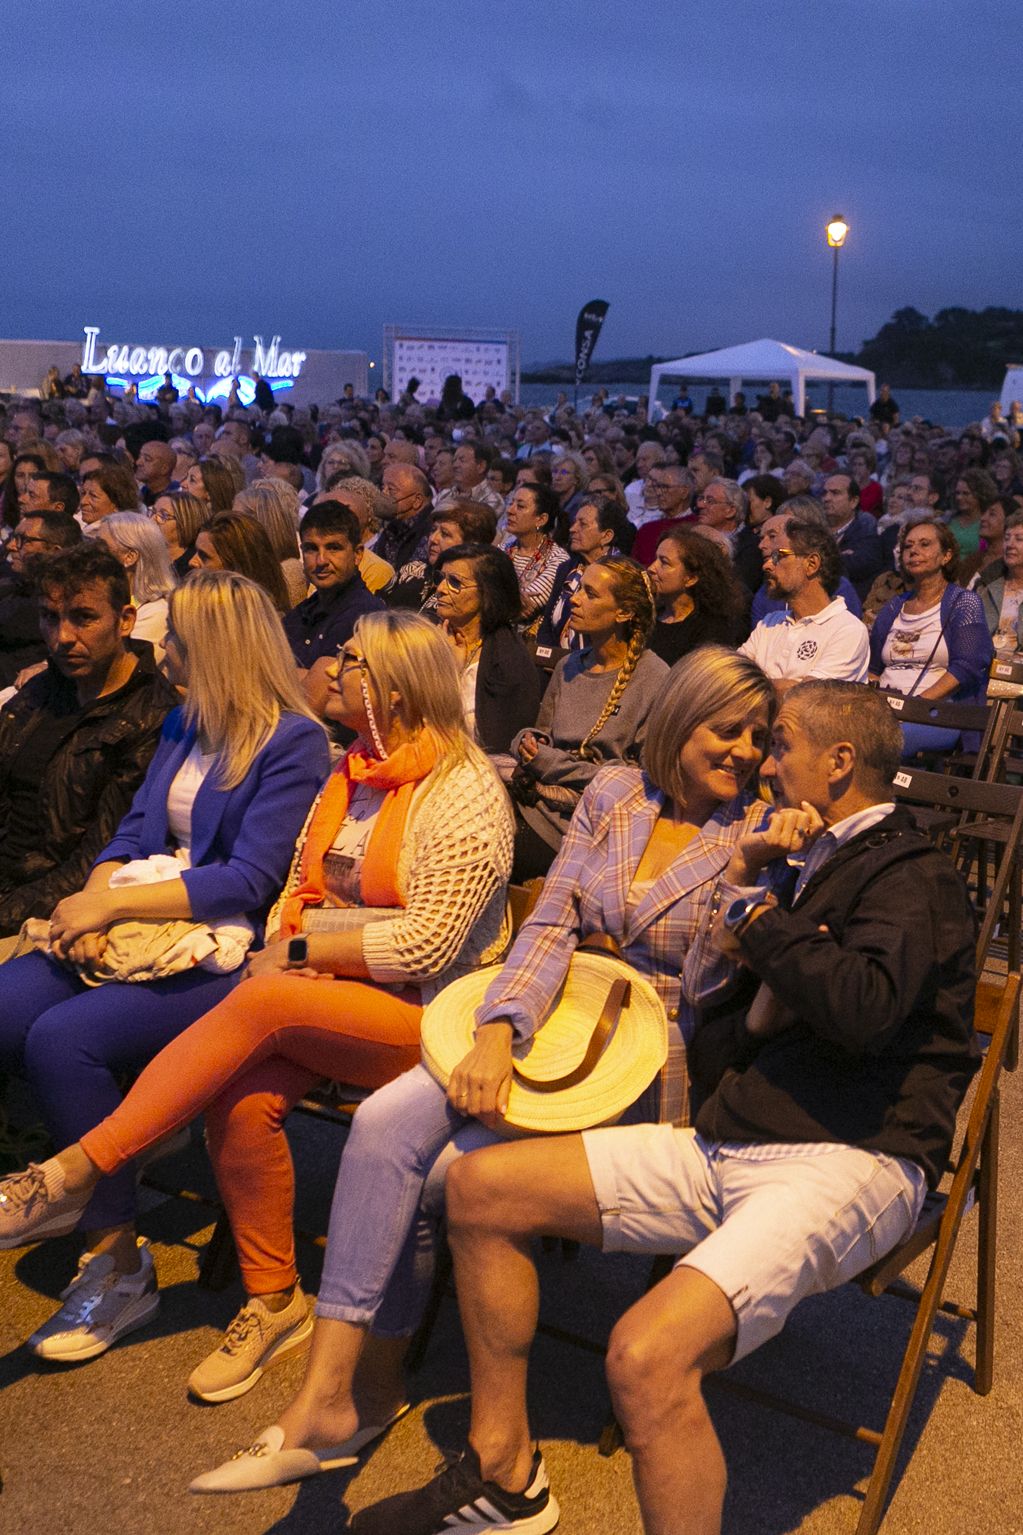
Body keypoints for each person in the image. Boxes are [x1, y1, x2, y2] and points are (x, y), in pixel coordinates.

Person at [355, 680, 978, 1535]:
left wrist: (758, 911)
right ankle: (503, 1472)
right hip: (739, 1133)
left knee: (644, 1356)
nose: (763, 758)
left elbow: (862, 1007)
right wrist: (749, 880)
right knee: (479, 1189)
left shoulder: (915, 872)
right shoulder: (802, 863)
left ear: (838, 762)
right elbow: (736, 1019)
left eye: (781, 740)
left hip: (851, 1155)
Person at [180, 645, 778, 1495]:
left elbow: (714, 993)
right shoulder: (614, 794)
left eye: (758, 736)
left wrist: (754, 874)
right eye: (727, 728)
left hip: (642, 1059)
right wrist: (498, 1030)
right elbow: (550, 928)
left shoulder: (751, 835)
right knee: (389, 1122)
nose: (745, 750)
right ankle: (329, 1392)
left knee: (448, 1175)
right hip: (543, 1014)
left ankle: (376, 1394)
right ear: (681, 718)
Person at [0, 612, 511, 1402]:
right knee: (239, 1103)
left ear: (396, 688)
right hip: (323, 995)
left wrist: (309, 952)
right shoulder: (354, 768)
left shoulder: (465, 790)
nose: (332, 667)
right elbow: (289, 899)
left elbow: (425, 945)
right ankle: (275, 1301)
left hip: (424, 1012)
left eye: (352, 659)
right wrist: (302, 946)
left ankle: (76, 1168)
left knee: (257, 997)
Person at [0, 570, 328, 1359]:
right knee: (8, 1003)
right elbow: (135, 828)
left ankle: (116, 1259)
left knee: (62, 1039)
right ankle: (120, 1140)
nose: (162, 645)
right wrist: (95, 895)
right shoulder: (187, 720)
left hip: (219, 945)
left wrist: (113, 907)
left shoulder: (292, 740)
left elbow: (248, 879)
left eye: (175, 634)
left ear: (216, 646)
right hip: (140, 914)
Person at [0, 543, 176, 941]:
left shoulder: (154, 715)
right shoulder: (46, 687)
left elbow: (97, 858)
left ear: (126, 619)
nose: (62, 637)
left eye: (83, 619)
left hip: (52, 907)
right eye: (49, 617)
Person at [508, 557, 667, 879]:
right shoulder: (570, 665)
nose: (575, 599)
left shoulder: (655, 678)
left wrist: (552, 764)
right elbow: (544, 735)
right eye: (579, 589)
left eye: (591, 594)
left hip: (583, 823)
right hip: (536, 798)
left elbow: (640, 781)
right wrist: (528, 742)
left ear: (623, 613)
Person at [870, 517, 992, 757]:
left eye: (925, 544)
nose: (914, 550)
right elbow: (873, 667)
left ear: (946, 556)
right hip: (882, 710)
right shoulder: (895, 606)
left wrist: (914, 705)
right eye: (908, 546)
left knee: (877, 743)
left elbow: (968, 667)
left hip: (936, 714)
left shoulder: (963, 603)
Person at [740, 517, 870, 692]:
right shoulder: (769, 623)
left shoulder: (848, 630)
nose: (767, 566)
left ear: (811, 564)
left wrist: (752, 685)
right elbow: (732, 677)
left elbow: (808, 697)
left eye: (779, 556)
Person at [433, 542, 541, 752]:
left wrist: (451, 673)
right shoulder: (432, 637)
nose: (440, 589)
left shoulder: (509, 660)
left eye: (455, 582)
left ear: (487, 592)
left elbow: (495, 742)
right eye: (440, 578)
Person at [283, 500, 385, 717]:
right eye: (311, 549)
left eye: (333, 548)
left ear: (358, 554)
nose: (321, 560)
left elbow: (309, 708)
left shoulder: (367, 618)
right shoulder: (299, 614)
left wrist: (281, 676)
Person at [536, 493, 634, 652]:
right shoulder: (566, 569)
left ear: (606, 536)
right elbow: (547, 624)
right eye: (575, 522)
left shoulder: (623, 574)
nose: (572, 529)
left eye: (582, 524)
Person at [0, 511, 83, 688]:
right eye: (15, 537)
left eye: (24, 540)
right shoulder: (18, 582)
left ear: (55, 551)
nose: (12, 546)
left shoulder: (59, 599)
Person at [647, 526, 746, 665]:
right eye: (655, 559)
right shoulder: (647, 616)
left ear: (691, 578)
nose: (651, 568)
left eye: (664, 562)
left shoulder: (713, 628)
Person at [93, 512, 177, 666]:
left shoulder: (156, 613)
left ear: (129, 557)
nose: (91, 552)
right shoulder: (106, 596)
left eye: (101, 546)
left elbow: (123, 666)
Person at [189, 511, 291, 615]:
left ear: (237, 565)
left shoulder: (262, 625)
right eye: (195, 552)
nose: (191, 562)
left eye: (204, 556)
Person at [502, 481, 570, 636]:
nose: (510, 511)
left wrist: (496, 595)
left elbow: (525, 607)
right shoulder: (502, 550)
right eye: (511, 503)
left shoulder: (557, 559)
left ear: (541, 519)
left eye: (520, 506)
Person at [233, 478, 306, 607]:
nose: (231, 526)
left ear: (259, 522)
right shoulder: (246, 561)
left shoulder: (289, 571)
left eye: (236, 519)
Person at [820, 473, 887, 598]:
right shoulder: (814, 531)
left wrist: (823, 560)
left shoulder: (866, 532)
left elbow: (860, 566)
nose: (826, 498)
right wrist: (840, 557)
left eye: (835, 493)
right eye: (824, 493)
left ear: (853, 501)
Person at [973, 511, 1023, 651]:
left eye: (1019, 539)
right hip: (983, 664)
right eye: (1007, 538)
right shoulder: (985, 585)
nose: (1010, 544)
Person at [631, 465, 697, 565]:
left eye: (665, 487)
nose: (658, 493)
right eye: (658, 487)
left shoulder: (697, 529)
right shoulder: (646, 530)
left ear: (684, 492)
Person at [151, 490, 209, 580]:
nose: (152, 519)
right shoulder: (147, 554)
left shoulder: (193, 568)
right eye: (153, 512)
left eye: (163, 515)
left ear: (185, 523)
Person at [134, 440, 179, 507]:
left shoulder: (175, 501)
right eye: (139, 457)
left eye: (147, 459)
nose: (138, 462)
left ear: (164, 469)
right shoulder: (141, 493)